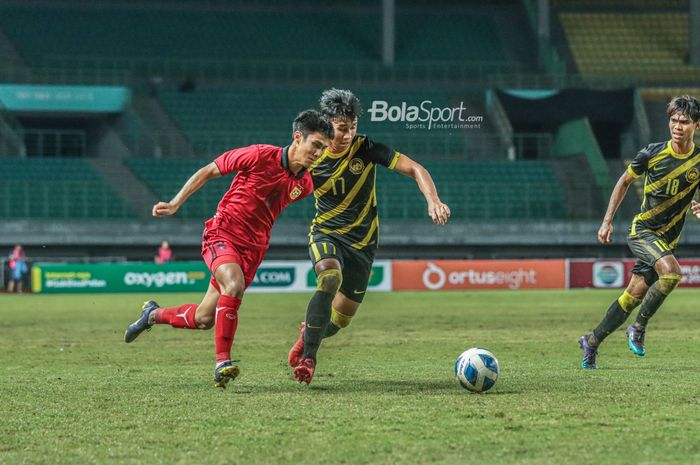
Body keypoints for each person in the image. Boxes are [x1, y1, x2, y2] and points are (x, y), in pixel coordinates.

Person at [124, 109, 333, 388]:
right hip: (222, 233)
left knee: (203, 318)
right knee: (233, 285)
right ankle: (222, 363)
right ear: (298, 137)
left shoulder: (304, 185)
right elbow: (209, 170)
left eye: (323, 149)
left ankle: (152, 314)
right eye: (315, 145)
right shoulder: (259, 155)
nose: (319, 153)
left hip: (253, 249)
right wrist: (175, 203)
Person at [287, 88, 451, 384]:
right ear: (326, 125)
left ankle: (308, 333)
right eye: (341, 128)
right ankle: (309, 359)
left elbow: (415, 168)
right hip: (326, 233)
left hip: (363, 244)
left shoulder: (366, 149)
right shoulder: (312, 157)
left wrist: (433, 200)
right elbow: (280, 185)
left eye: (352, 128)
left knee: (339, 321)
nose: (348, 134)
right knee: (329, 278)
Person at [579, 95, 700, 369]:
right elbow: (623, 182)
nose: (677, 127)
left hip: (667, 239)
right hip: (643, 231)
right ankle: (639, 328)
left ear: (697, 125)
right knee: (671, 273)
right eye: (673, 121)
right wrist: (607, 221)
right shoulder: (652, 153)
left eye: (684, 122)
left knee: (631, 297)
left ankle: (592, 341)